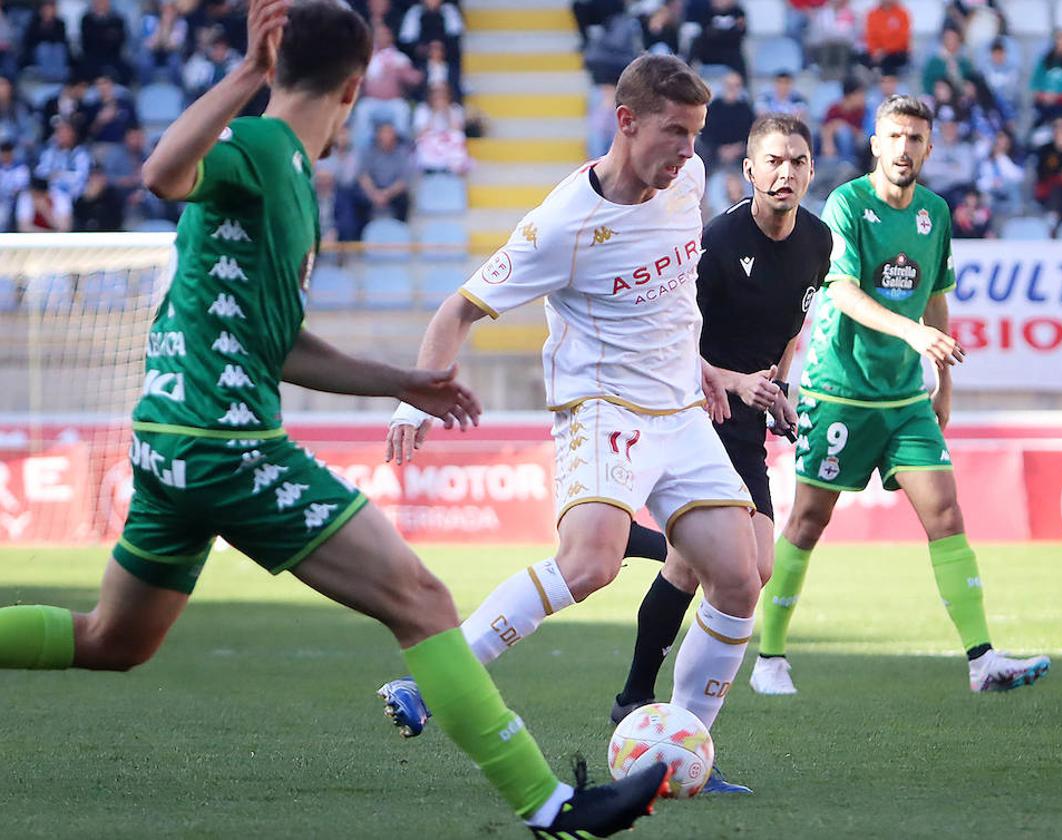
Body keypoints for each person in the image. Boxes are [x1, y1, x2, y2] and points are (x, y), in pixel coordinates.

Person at [0, 3, 669, 837]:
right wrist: (249, 74)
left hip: (170, 441)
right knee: (422, 599)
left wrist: (407, 380)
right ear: (355, 88)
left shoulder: (287, 180)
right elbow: (162, 173)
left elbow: (281, 346)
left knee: (113, 639)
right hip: (228, 445)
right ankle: (553, 806)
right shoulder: (264, 148)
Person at [379, 53, 762, 795]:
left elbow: (675, 295)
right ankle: (436, 682)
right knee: (591, 564)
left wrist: (704, 367)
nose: (691, 152)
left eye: (697, 134)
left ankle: (681, 750)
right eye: (675, 132)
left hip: (681, 408)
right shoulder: (562, 224)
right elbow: (458, 309)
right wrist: (412, 397)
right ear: (626, 122)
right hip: (602, 407)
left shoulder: (687, 181)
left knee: (740, 578)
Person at [750, 94, 1051, 696]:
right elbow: (845, 293)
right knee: (809, 521)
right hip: (839, 392)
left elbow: (937, 294)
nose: (904, 148)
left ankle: (981, 660)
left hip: (904, 398)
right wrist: (914, 333)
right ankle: (769, 658)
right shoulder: (847, 204)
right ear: (875, 143)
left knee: (945, 513)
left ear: (929, 148)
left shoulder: (935, 212)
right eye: (895, 137)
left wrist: (944, 380)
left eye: (916, 139)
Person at [608, 113, 831, 759]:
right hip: (695, 410)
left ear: (810, 170)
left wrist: (779, 392)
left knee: (734, 567)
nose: (785, 172)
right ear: (750, 172)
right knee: (738, 571)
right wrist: (735, 384)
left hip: (749, 417)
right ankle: (654, 709)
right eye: (773, 161)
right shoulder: (715, 243)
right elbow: (674, 343)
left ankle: (639, 698)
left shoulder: (818, 243)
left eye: (797, 160)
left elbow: (792, 330)